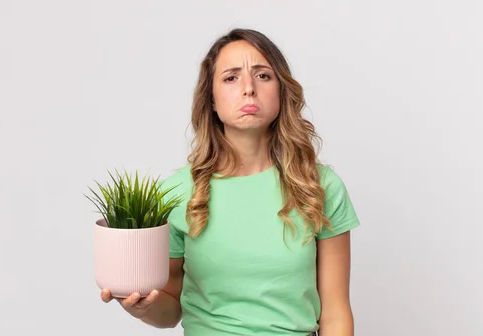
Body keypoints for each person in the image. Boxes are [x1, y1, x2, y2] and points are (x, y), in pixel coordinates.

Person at [100, 28, 360, 336]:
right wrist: (142, 306)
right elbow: (169, 310)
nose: (248, 88)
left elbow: (335, 312)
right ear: (211, 98)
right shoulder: (177, 192)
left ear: (281, 91)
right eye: (231, 78)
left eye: (263, 76)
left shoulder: (320, 187)